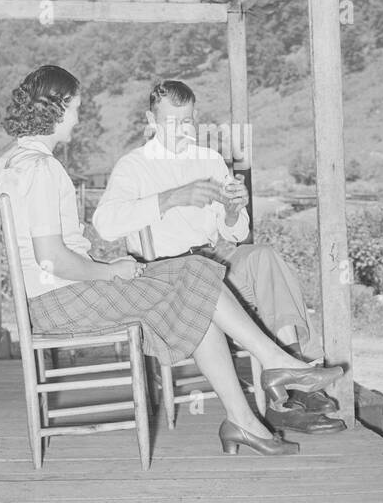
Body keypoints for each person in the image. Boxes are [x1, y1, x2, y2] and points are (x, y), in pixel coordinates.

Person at [0, 65, 346, 459]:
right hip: (62, 300)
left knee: (205, 290)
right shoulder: (44, 168)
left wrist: (230, 211)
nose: (78, 117)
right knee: (196, 276)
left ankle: (246, 418)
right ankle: (277, 367)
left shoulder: (16, 160)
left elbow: (49, 259)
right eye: (75, 108)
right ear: (55, 108)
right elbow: (51, 260)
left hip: (54, 298)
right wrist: (109, 270)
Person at [92, 79, 343, 434]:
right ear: (151, 120)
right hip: (166, 273)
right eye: (170, 122)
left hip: (214, 260)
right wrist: (170, 199)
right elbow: (104, 224)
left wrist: (231, 210)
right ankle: (287, 397)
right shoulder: (134, 166)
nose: (181, 130)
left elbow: (236, 232)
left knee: (263, 258)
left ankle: (289, 381)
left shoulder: (209, 159)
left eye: (188, 121)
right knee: (204, 268)